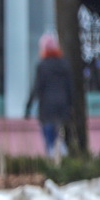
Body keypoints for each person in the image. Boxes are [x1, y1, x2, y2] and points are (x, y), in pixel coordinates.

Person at [25, 33, 73, 161]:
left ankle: (52, 159)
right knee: (61, 134)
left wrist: (28, 107)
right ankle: (63, 156)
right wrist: (71, 106)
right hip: (62, 106)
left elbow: (37, 88)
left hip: (47, 108)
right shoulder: (64, 65)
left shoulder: (42, 66)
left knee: (49, 137)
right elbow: (70, 88)